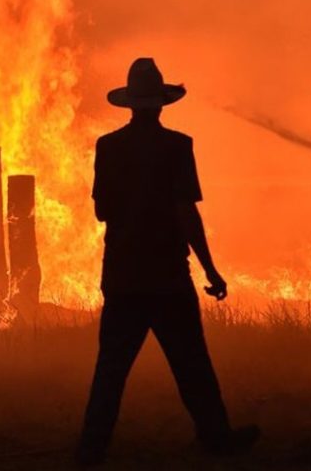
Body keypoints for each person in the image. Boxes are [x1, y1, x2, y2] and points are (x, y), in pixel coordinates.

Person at [77, 58, 259, 465]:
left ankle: (91, 448)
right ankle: (217, 437)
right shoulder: (178, 146)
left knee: (111, 369)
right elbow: (186, 213)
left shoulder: (108, 147)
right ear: (160, 105)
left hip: (123, 276)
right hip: (168, 276)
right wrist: (210, 269)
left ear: (130, 105)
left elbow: (102, 211)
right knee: (192, 362)